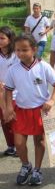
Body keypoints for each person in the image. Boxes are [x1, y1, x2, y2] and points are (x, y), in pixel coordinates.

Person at [4, 34, 55, 185]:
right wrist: (9, 106)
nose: (20, 53)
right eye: (17, 50)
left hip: (40, 111)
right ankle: (26, 165)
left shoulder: (44, 67)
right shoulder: (13, 69)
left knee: (39, 141)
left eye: (24, 50)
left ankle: (37, 169)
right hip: (21, 110)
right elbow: (8, 89)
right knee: (19, 143)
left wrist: (52, 100)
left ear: (34, 49)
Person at [0, 26, 17, 156]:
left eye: (2, 38)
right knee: (4, 121)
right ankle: (10, 146)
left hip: (14, 94)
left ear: (10, 39)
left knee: (14, 120)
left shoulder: (16, 55)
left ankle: (18, 146)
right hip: (0, 94)